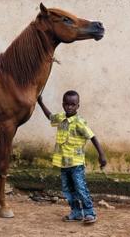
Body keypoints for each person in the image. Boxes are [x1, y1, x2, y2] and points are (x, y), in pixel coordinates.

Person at [37, 90, 106, 224]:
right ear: (63, 104)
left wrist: (101, 154)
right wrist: (40, 102)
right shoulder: (61, 118)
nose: (69, 107)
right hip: (64, 164)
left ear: (78, 106)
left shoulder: (79, 122)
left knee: (80, 188)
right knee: (68, 190)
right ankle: (76, 213)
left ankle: (89, 212)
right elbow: (50, 116)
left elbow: (92, 137)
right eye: (67, 104)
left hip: (76, 164)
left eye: (73, 104)